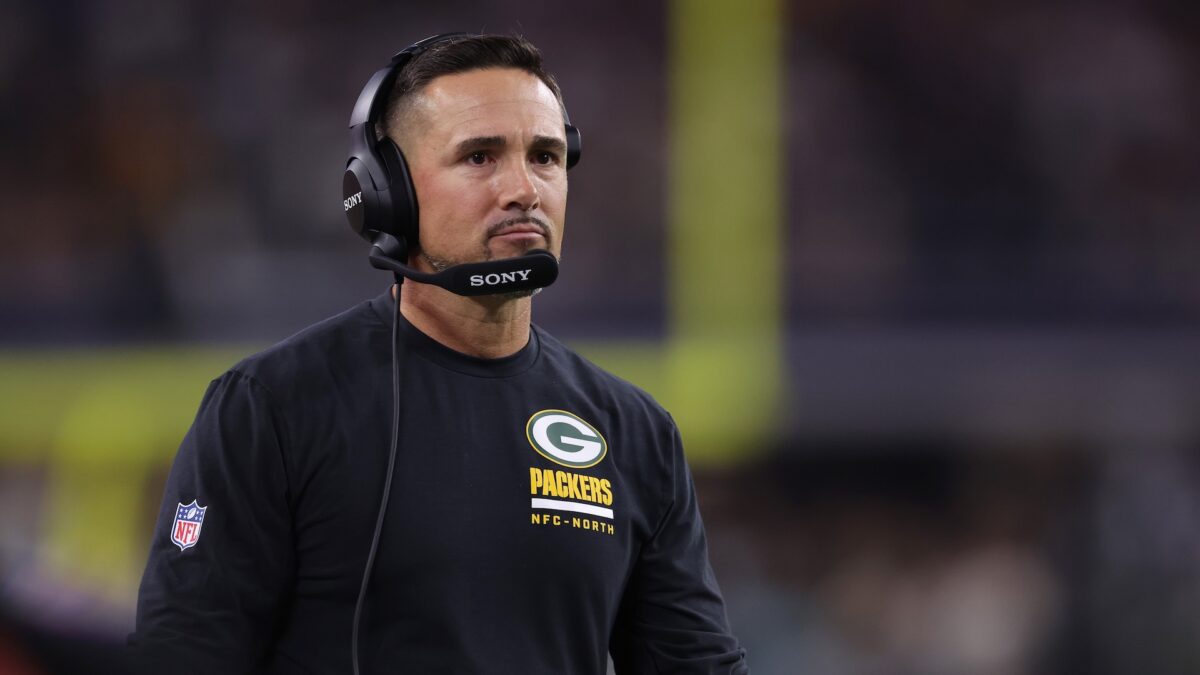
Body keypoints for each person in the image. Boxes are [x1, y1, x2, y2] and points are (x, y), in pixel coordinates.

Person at [130, 33, 749, 675]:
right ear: (385, 191)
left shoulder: (636, 432)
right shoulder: (271, 408)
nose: (524, 189)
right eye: (480, 156)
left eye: (545, 156)